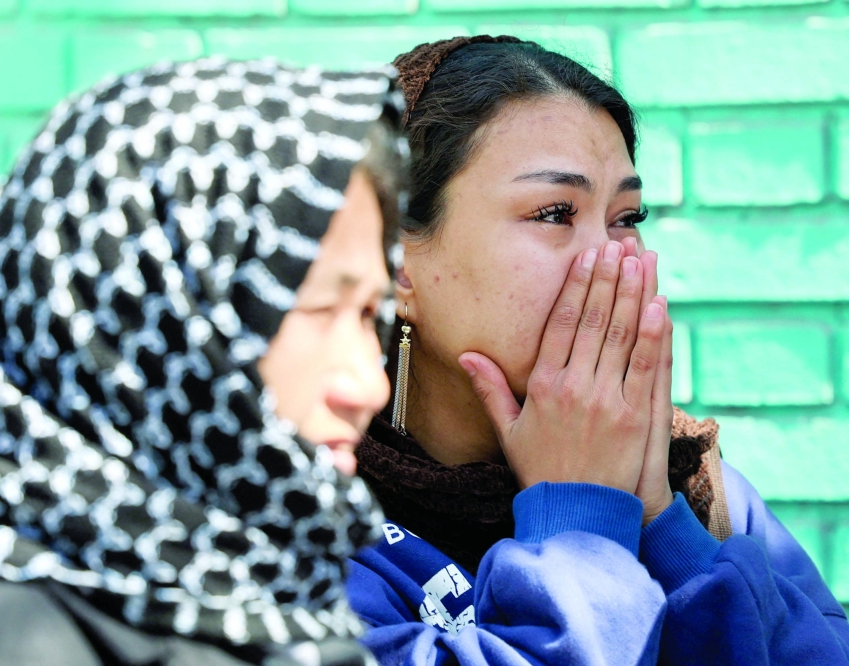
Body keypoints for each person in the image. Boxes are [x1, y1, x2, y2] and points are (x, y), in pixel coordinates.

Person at [0, 57, 407, 666]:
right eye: (318, 308)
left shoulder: (276, 608)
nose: (368, 385)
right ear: (143, 322)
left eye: (368, 316)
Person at [347, 35, 849, 665]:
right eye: (556, 212)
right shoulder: (307, 521)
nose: (610, 258)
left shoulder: (702, 489)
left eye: (626, 218)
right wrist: (580, 515)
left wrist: (662, 526)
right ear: (396, 260)